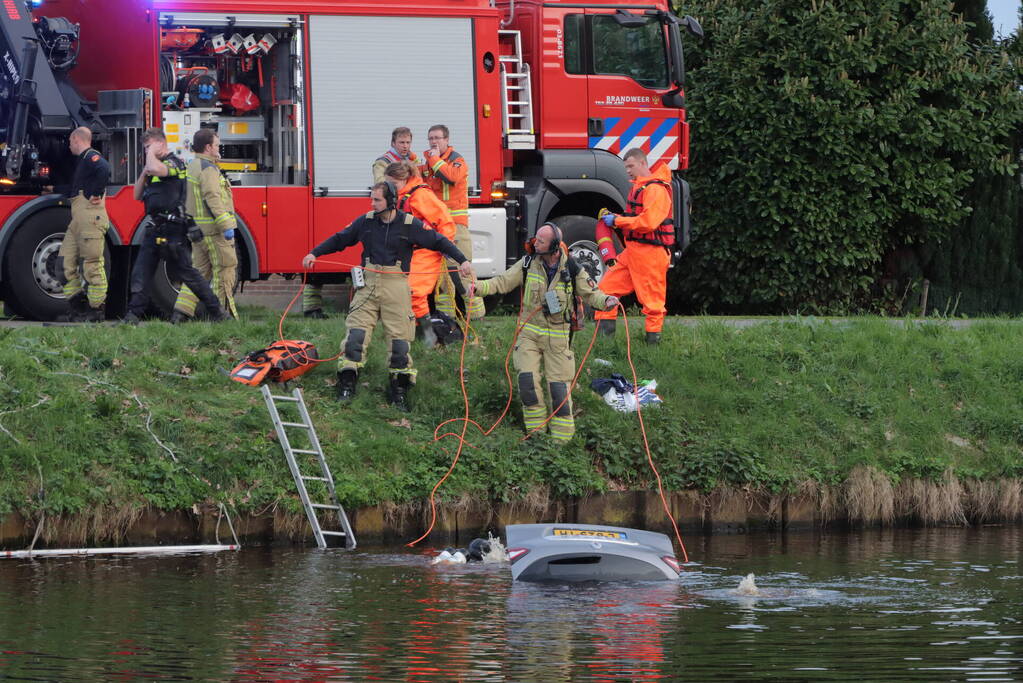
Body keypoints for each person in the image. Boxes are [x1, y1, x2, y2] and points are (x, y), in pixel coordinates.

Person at [301, 182, 474, 411]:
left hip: (397, 288)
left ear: (390, 201)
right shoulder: (366, 221)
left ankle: (399, 392)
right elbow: (340, 239)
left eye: (377, 200)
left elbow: (439, 241)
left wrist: (462, 260)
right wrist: (315, 253)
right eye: (372, 199)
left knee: (400, 344)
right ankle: (346, 385)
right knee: (355, 337)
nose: (372, 204)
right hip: (368, 286)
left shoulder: (410, 224)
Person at [474, 223, 618, 441]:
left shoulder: (572, 267)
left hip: (558, 338)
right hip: (529, 334)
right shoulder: (528, 263)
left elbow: (591, 293)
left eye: (541, 241)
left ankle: (562, 443)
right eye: (536, 239)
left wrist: (607, 301)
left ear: (553, 246)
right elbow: (502, 282)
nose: (535, 242)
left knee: (559, 391)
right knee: (527, 384)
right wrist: (478, 288)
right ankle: (536, 436)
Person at [123, 129, 229, 324]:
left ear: (161, 144)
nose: (147, 150)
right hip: (155, 227)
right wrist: (144, 171)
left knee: (188, 274)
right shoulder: (151, 166)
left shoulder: (175, 163)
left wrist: (150, 158)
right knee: (141, 273)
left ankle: (218, 312)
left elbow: (157, 170)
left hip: (173, 230)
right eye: (146, 148)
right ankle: (132, 316)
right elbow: (137, 195)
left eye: (150, 146)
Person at [593, 148, 674, 345]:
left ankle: (652, 348)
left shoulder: (655, 190)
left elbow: (648, 223)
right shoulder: (640, 187)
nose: (628, 170)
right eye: (626, 167)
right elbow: (635, 219)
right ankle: (605, 345)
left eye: (631, 166)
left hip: (651, 254)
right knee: (605, 290)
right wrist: (616, 218)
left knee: (653, 303)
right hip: (634, 251)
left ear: (642, 164)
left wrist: (618, 221)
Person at [383, 160, 458, 348]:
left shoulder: (420, 195)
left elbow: (445, 221)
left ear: (404, 179)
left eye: (393, 184)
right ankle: (415, 332)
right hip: (410, 251)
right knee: (400, 292)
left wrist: (445, 246)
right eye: (388, 184)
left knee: (414, 293)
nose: (390, 188)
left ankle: (429, 336)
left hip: (426, 251)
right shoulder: (400, 196)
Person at [420, 124, 485, 321]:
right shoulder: (430, 164)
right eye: (430, 138)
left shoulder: (457, 161)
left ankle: (477, 317)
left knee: (462, 272)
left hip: (456, 227)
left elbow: (451, 177)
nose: (433, 142)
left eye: (437, 138)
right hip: (437, 227)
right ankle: (445, 320)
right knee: (441, 276)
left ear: (447, 140)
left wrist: (432, 159)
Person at [173, 129, 239, 321]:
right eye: (217, 145)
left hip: (198, 232)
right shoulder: (208, 168)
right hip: (213, 231)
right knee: (225, 269)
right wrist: (226, 225)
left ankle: (180, 313)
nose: (219, 149)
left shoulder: (193, 165)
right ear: (208, 147)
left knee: (198, 273)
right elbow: (213, 197)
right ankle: (221, 317)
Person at [57, 127, 110, 322]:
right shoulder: (83, 161)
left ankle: (96, 312)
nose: (69, 145)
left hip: (90, 218)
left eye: (70, 141)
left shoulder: (91, 157)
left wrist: (96, 193)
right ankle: (78, 309)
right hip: (78, 220)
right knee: (63, 264)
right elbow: (76, 188)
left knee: (92, 266)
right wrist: (52, 189)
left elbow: (104, 168)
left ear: (76, 139)